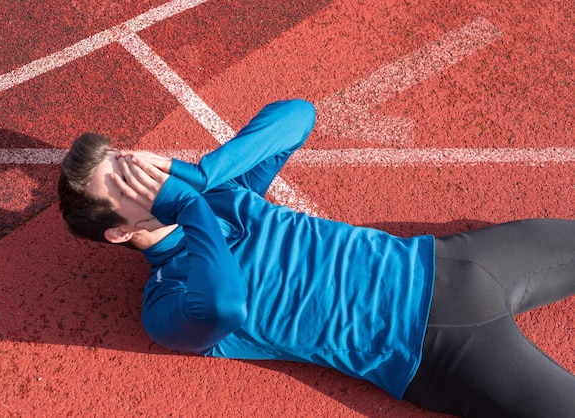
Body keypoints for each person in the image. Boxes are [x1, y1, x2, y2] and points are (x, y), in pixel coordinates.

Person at [58, 99, 575, 417]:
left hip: (449, 262)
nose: (144, 172)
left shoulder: (218, 192)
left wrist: (202, 174)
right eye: (125, 181)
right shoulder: (166, 301)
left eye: (129, 159)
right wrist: (189, 204)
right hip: (438, 349)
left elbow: (296, 115)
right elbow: (224, 306)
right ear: (120, 234)